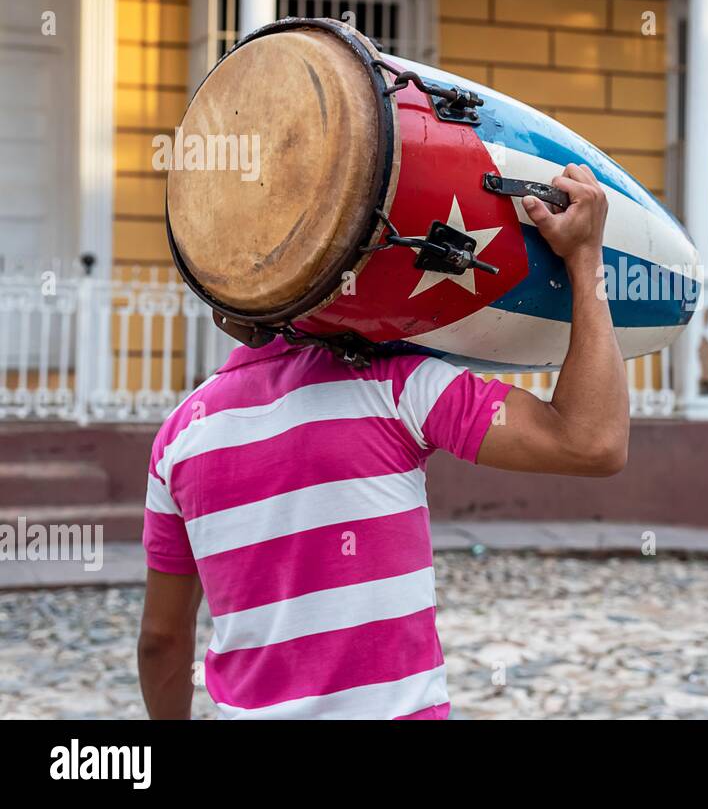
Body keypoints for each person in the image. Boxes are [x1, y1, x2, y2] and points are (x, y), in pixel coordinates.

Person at [137, 164, 627, 719]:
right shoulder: (396, 387)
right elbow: (592, 442)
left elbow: (162, 641)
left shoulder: (179, 438)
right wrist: (585, 261)